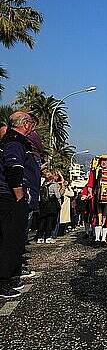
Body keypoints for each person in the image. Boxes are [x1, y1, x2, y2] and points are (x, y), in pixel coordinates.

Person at [0, 112, 41, 299]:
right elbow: (13, 169)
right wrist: (20, 197)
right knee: (10, 240)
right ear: (25, 124)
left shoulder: (17, 142)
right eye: (32, 123)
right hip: (10, 198)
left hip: (13, 197)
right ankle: (3, 281)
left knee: (15, 239)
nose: (33, 126)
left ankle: (12, 274)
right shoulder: (15, 143)